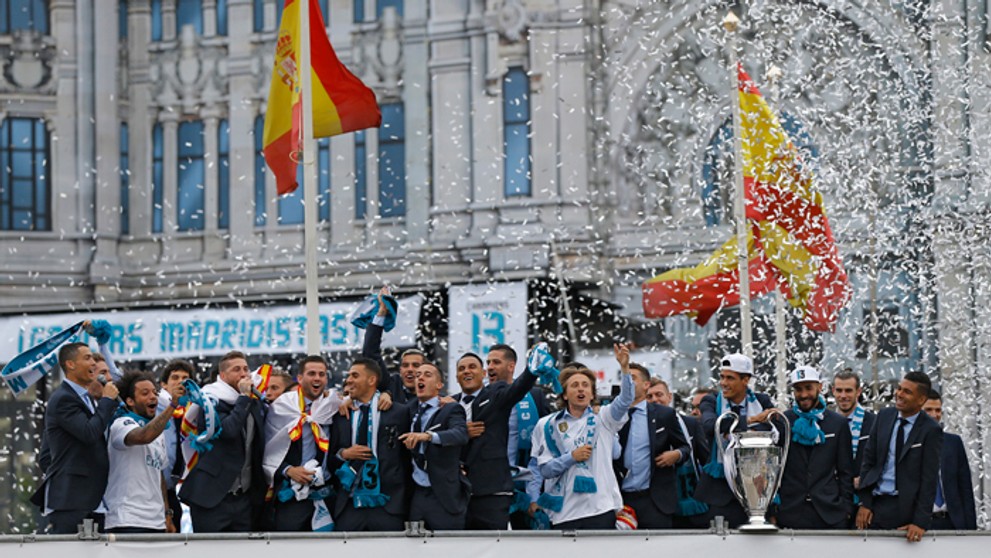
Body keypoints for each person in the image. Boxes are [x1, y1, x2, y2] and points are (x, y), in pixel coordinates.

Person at [530, 343, 634, 530]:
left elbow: (625, 400)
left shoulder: (604, 418)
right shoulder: (546, 425)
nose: (581, 389)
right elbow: (545, 470)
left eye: (586, 385)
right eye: (575, 385)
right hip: (563, 513)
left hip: (600, 509)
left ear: (592, 394)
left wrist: (625, 369)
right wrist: (571, 457)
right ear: (564, 394)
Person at [36, 342, 119, 534]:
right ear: (70, 364)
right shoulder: (63, 399)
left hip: (93, 499)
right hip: (71, 500)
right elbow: (89, 433)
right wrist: (107, 401)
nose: (93, 363)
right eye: (87, 358)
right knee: (69, 548)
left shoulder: (87, 399)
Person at [179, 350, 266, 532]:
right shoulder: (210, 401)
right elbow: (228, 430)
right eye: (236, 370)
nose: (243, 374)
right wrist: (243, 397)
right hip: (212, 498)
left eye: (246, 369)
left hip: (244, 499)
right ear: (223, 376)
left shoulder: (253, 403)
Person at [452, 350, 538, 529]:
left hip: (492, 491)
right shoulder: (448, 404)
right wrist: (461, 433)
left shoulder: (496, 394)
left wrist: (532, 369)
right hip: (456, 492)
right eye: (461, 369)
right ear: (456, 377)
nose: (466, 371)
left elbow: (518, 388)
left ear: (483, 373)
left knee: (494, 542)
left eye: (472, 367)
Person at [856, 372, 943, 542]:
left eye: (907, 392)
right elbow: (868, 461)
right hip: (875, 506)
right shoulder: (883, 416)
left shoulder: (931, 429)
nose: (899, 394)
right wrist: (864, 502)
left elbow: (929, 479)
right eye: (899, 388)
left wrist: (920, 522)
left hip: (905, 511)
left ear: (921, 399)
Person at [327, 357, 410, 531]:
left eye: (355, 375)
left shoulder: (398, 412)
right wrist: (344, 454)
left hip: (388, 504)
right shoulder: (340, 413)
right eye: (349, 375)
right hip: (349, 505)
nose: (349, 380)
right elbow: (329, 458)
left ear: (372, 380)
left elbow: (407, 458)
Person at [263, 355, 344, 531]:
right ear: (300, 378)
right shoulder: (282, 406)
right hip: (292, 496)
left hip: (328, 494)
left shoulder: (334, 405)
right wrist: (288, 470)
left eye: (321, 374)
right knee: (290, 545)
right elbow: (267, 448)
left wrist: (387, 394)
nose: (317, 378)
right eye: (311, 373)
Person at [695, 353, 776, 528]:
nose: (723, 383)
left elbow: (773, 430)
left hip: (755, 488)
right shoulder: (710, 400)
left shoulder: (761, 401)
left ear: (746, 380)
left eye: (730, 378)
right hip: (719, 492)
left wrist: (731, 431)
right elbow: (710, 425)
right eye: (722, 377)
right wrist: (751, 421)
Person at [774, 366, 854, 529]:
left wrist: (846, 508)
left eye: (808, 388)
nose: (804, 395)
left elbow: (846, 471)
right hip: (790, 512)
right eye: (798, 389)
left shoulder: (838, 423)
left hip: (829, 513)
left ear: (820, 387)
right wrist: (773, 510)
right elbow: (773, 468)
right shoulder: (783, 421)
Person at [104, 372, 184, 533]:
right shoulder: (121, 424)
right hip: (127, 519)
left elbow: (159, 475)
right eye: (145, 393)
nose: (153, 397)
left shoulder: (158, 431)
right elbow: (143, 436)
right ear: (130, 401)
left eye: (155, 392)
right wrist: (172, 405)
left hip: (156, 521)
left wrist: (167, 514)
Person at [614, 363, 690, 529]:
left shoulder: (664, 414)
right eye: (624, 378)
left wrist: (676, 454)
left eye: (632, 378)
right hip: (620, 499)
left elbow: (685, 447)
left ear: (646, 385)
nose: (627, 382)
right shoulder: (613, 414)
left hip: (655, 500)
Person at [399, 362, 470, 530]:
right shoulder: (408, 410)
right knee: (414, 543)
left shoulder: (450, 408)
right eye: (417, 376)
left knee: (448, 543)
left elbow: (461, 434)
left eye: (427, 375)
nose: (420, 378)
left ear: (439, 385)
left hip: (444, 494)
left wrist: (428, 436)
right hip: (416, 493)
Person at [649, 376, 710, 528]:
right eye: (649, 396)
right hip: (657, 503)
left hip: (691, 499)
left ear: (669, 397)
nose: (655, 399)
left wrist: (679, 454)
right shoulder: (640, 426)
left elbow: (706, 460)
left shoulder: (690, 423)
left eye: (659, 394)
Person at [922, 390, 976, 530]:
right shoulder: (907, 443)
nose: (934, 415)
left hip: (952, 522)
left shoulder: (953, 442)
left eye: (938, 410)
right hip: (921, 525)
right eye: (928, 410)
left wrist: (971, 531)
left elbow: (965, 489)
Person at [360, 286, 423, 404]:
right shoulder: (392, 386)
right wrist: (381, 313)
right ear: (400, 370)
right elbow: (370, 353)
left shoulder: (442, 402)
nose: (410, 369)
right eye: (405, 365)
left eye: (416, 365)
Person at [157, 359, 194, 527]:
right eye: (175, 377)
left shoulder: (194, 410)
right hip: (153, 489)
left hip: (174, 490)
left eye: (185, 378)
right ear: (163, 385)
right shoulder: (155, 405)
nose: (180, 382)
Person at [831, 370, 877, 496]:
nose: (843, 395)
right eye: (839, 390)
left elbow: (882, 461)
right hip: (833, 497)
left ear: (858, 391)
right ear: (833, 391)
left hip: (864, 495)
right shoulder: (824, 422)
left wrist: (866, 479)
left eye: (848, 391)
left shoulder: (874, 423)